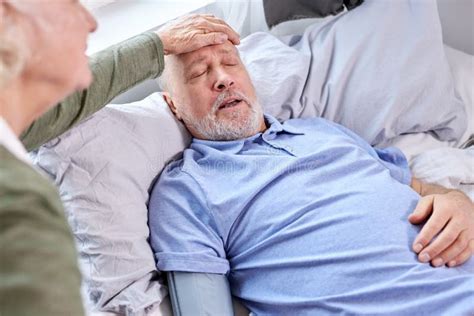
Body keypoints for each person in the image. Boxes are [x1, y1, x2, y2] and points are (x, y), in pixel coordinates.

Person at [148, 40, 474, 315]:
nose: (223, 79)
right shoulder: (185, 189)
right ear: (173, 105)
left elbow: (415, 186)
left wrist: (457, 201)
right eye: (199, 72)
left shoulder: (319, 129)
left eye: (231, 63)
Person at [0, 1, 239, 314]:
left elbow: (55, 109)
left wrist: (158, 45)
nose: (91, 22)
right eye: (70, 4)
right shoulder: (20, 208)